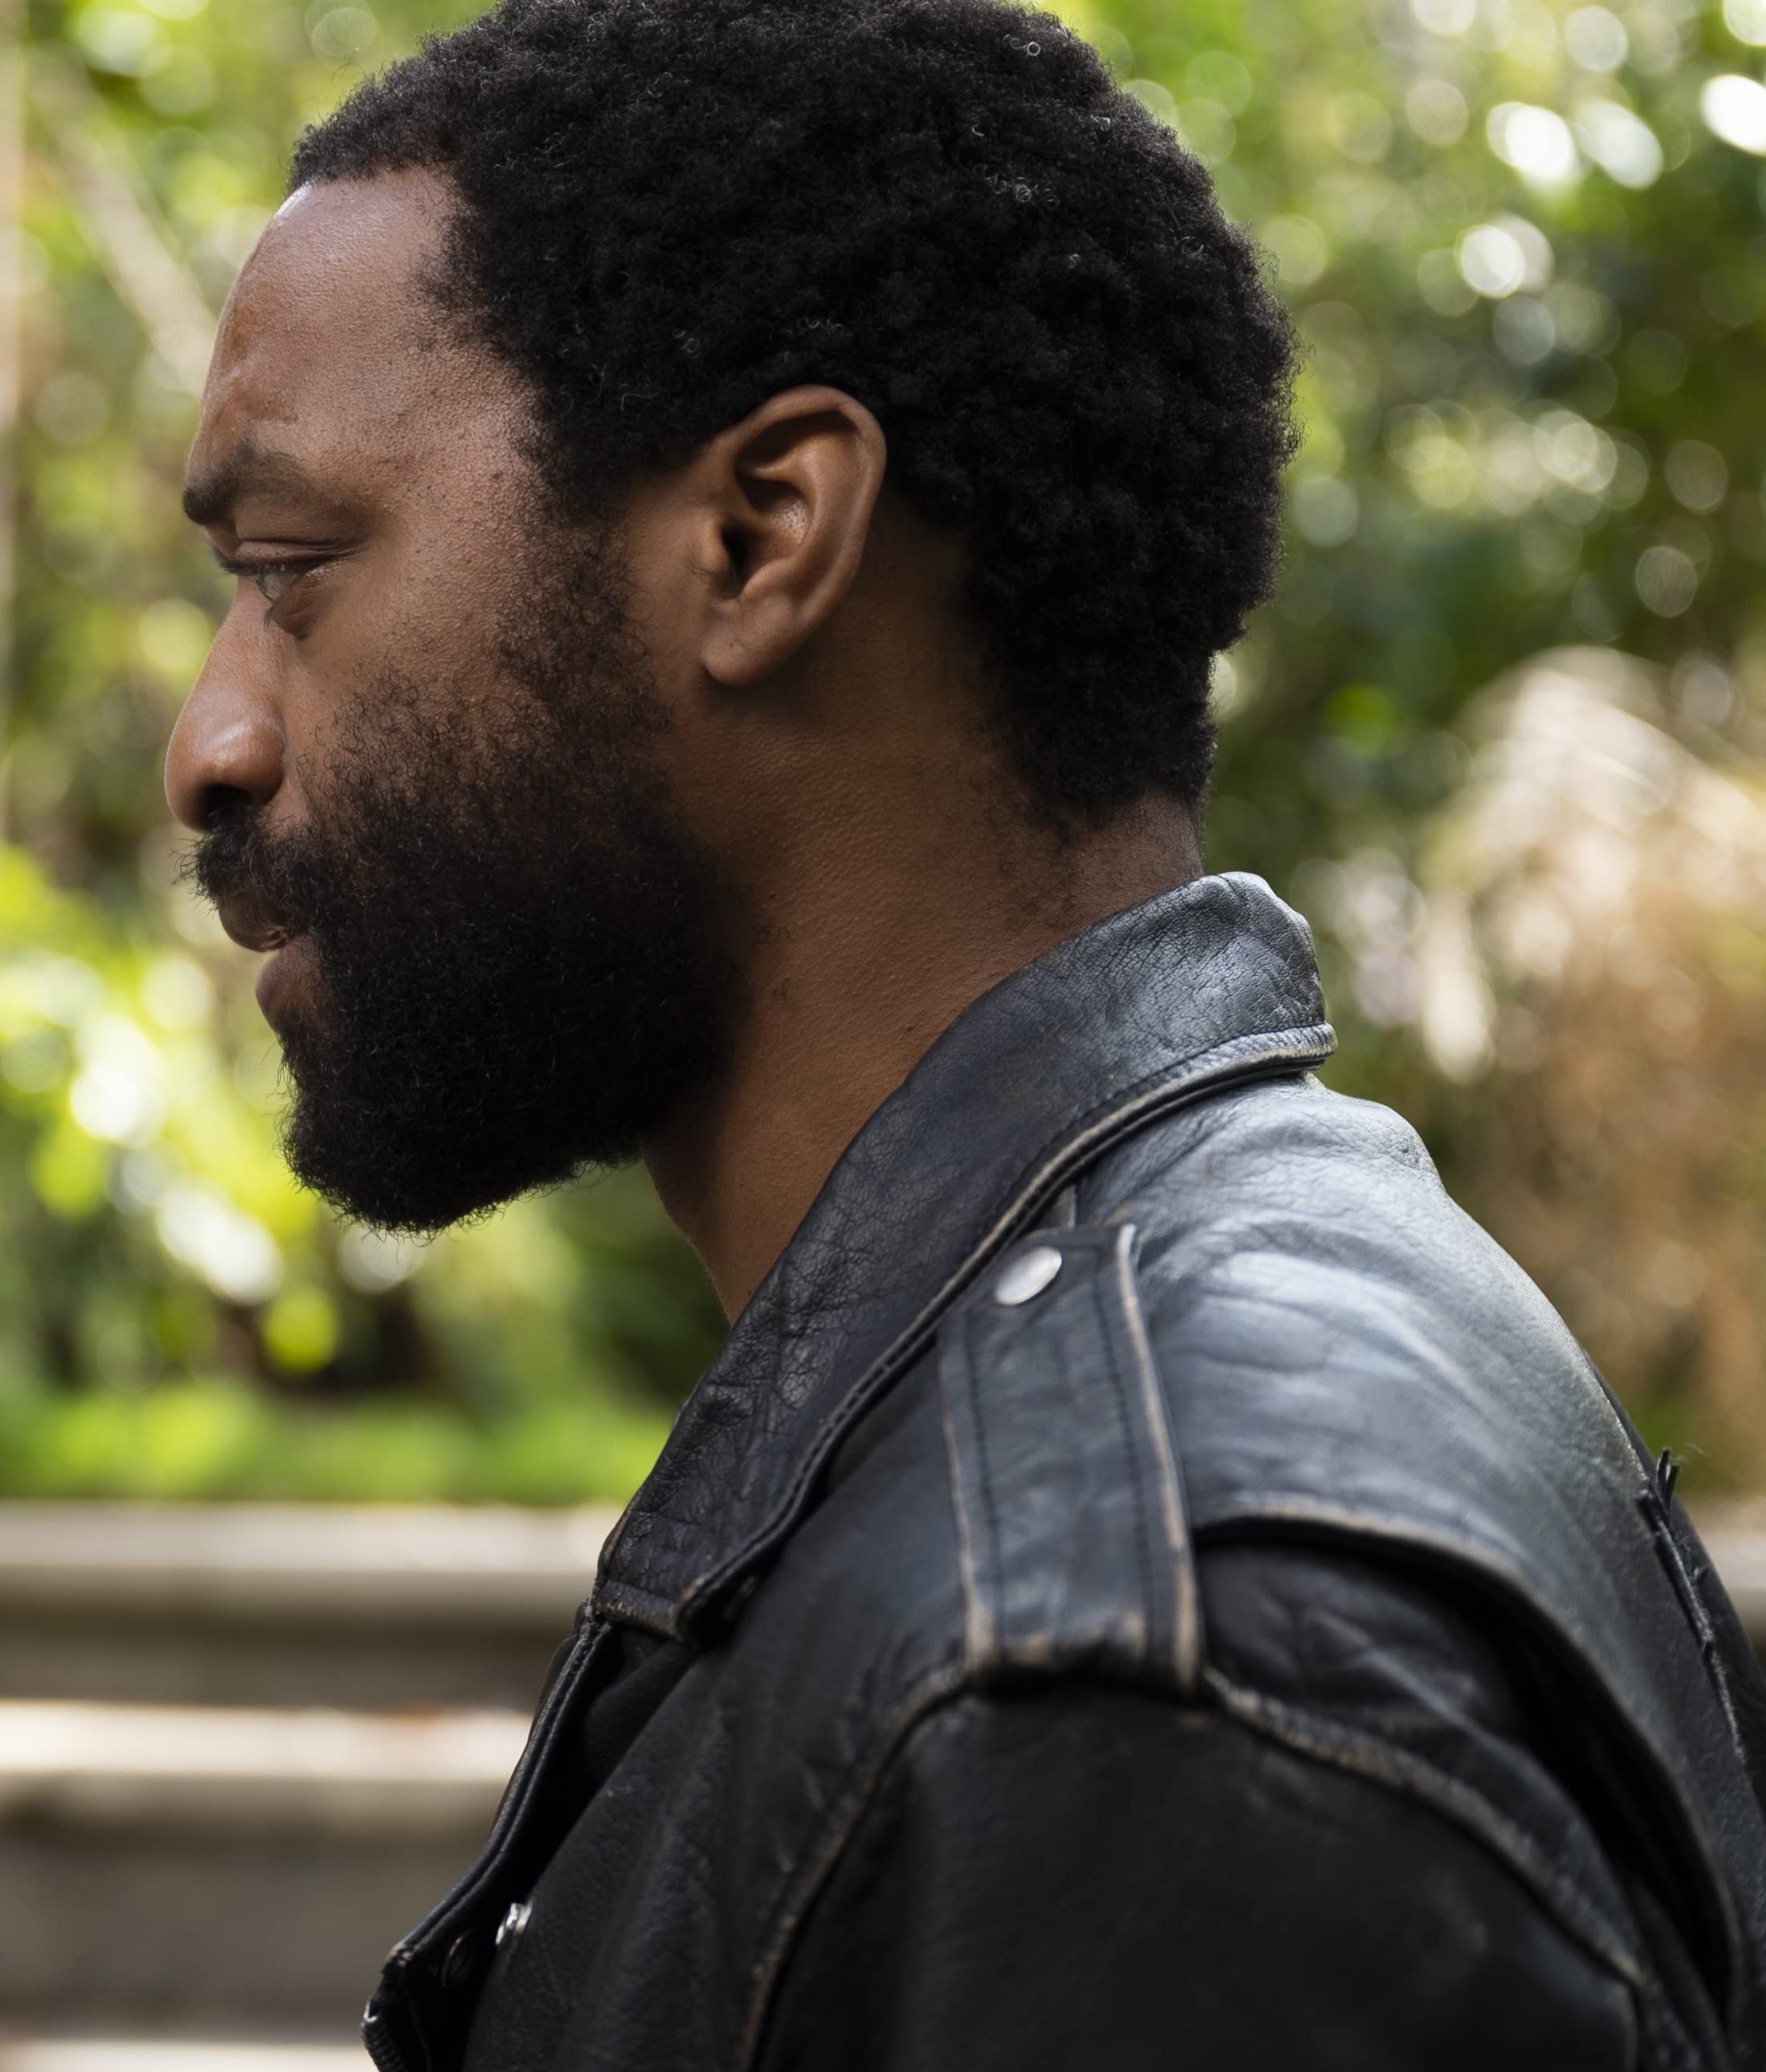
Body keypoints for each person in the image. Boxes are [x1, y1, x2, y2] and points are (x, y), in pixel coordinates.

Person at [166, 2, 1766, 2066]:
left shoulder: (1130, 1690)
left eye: (288, 566)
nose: (208, 743)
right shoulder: (1143, 1435)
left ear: (759, 536)